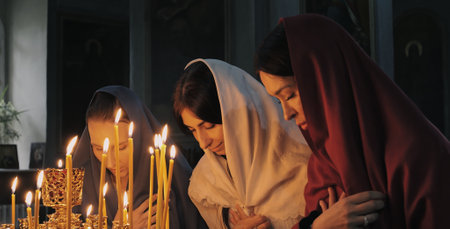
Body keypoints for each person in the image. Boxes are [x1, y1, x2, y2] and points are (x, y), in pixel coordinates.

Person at [254, 14, 450, 228]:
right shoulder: (323, 164)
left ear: (325, 80)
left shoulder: (419, 156)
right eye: (278, 100)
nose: (286, 114)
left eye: (290, 95)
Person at [172, 58, 312, 228]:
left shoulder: (304, 161)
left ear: (240, 114)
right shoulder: (205, 184)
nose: (203, 143)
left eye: (209, 126)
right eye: (192, 130)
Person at [73, 85, 207, 228]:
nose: (111, 162)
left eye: (121, 147)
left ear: (140, 137)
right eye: (99, 149)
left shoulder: (172, 177)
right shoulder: (83, 182)